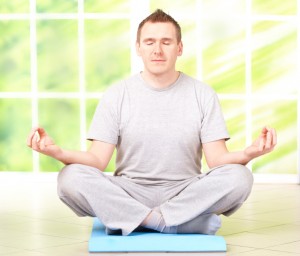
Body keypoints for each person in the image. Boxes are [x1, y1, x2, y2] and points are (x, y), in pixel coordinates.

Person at [27, 9, 277, 236]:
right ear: (139, 47)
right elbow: (97, 160)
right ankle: (172, 223)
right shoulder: (117, 94)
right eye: (150, 42)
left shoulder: (203, 94)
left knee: (240, 177)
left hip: (185, 191)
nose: (157, 50)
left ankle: (135, 220)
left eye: (166, 42)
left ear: (179, 48)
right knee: (69, 178)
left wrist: (249, 153)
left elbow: (217, 160)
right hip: (129, 191)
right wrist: (57, 152)